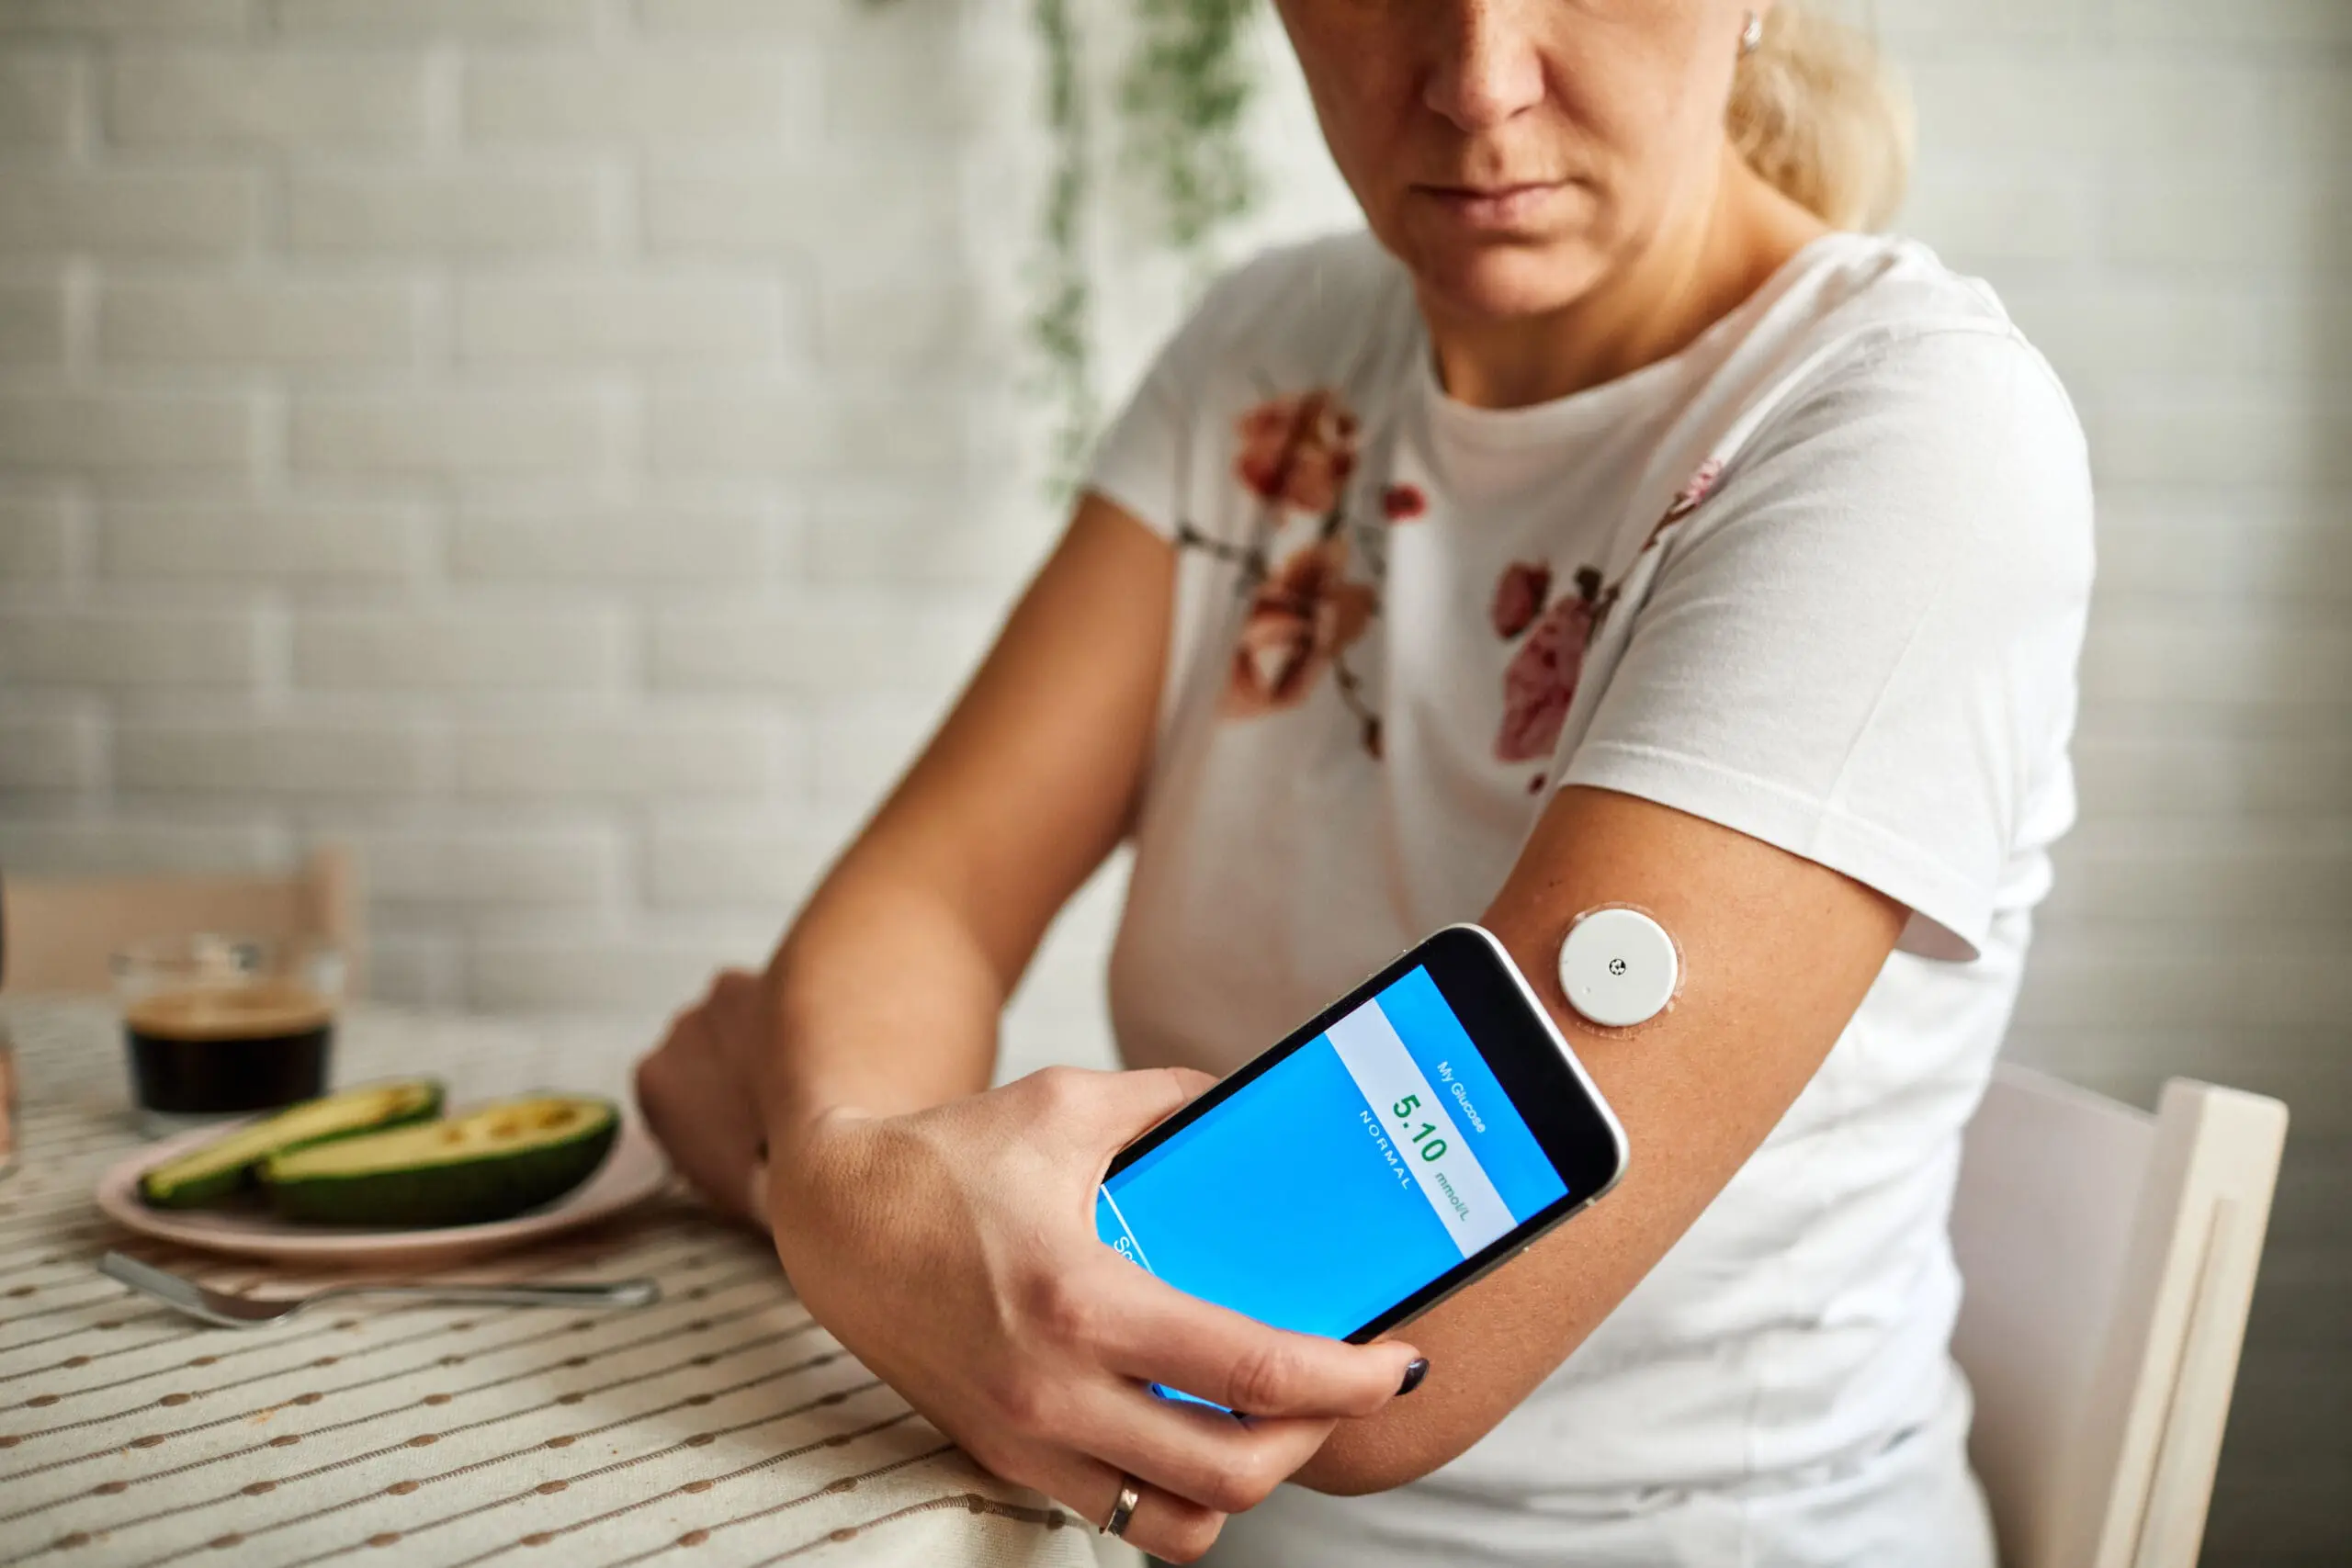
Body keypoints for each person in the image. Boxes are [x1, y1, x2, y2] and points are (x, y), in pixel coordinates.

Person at [633, 1, 2093, 1562]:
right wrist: (858, 1183)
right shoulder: (1276, 347)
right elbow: (929, 897)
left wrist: (820, 1168)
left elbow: (1371, 1352)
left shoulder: (1906, 435)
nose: (1478, 83)